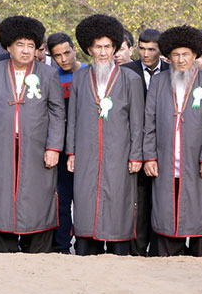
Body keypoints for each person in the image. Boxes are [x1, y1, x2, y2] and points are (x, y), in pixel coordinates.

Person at [0, 15, 65, 253]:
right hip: (0, 147)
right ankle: (5, 249)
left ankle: (38, 250)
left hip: (37, 148)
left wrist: (54, 147)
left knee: (39, 196)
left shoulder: (47, 74)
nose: (25, 51)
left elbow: (56, 113)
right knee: (0, 196)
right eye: (20, 45)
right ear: (9, 46)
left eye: (31, 46)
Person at [142, 25, 202, 257]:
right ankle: (169, 259)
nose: (181, 60)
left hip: (197, 161)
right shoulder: (158, 82)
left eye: (185, 54)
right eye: (176, 55)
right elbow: (149, 122)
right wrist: (149, 156)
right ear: (168, 56)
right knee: (167, 212)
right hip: (166, 160)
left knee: (199, 211)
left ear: (195, 55)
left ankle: (201, 259)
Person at [65, 14, 144, 256]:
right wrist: (71, 152)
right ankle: (88, 249)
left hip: (119, 153)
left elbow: (138, 120)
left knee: (118, 199)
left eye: (107, 47)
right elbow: (73, 117)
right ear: (89, 49)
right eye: (98, 47)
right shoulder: (79, 77)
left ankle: (119, 249)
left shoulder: (131, 78)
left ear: (114, 49)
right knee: (86, 200)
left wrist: (136, 155)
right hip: (86, 152)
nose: (102, 52)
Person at [123, 28, 166, 257]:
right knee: (138, 201)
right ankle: (137, 249)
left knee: (161, 199)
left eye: (151, 49)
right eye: (142, 48)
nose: (145, 53)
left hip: (164, 147)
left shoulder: (170, 71)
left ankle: (159, 249)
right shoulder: (126, 71)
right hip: (135, 145)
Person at [48, 32, 82, 253]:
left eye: (66, 53)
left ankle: (87, 243)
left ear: (74, 49)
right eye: (57, 55)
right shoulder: (51, 77)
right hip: (60, 149)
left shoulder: (89, 72)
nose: (63, 59)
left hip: (85, 147)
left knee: (85, 201)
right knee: (61, 200)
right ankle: (61, 245)